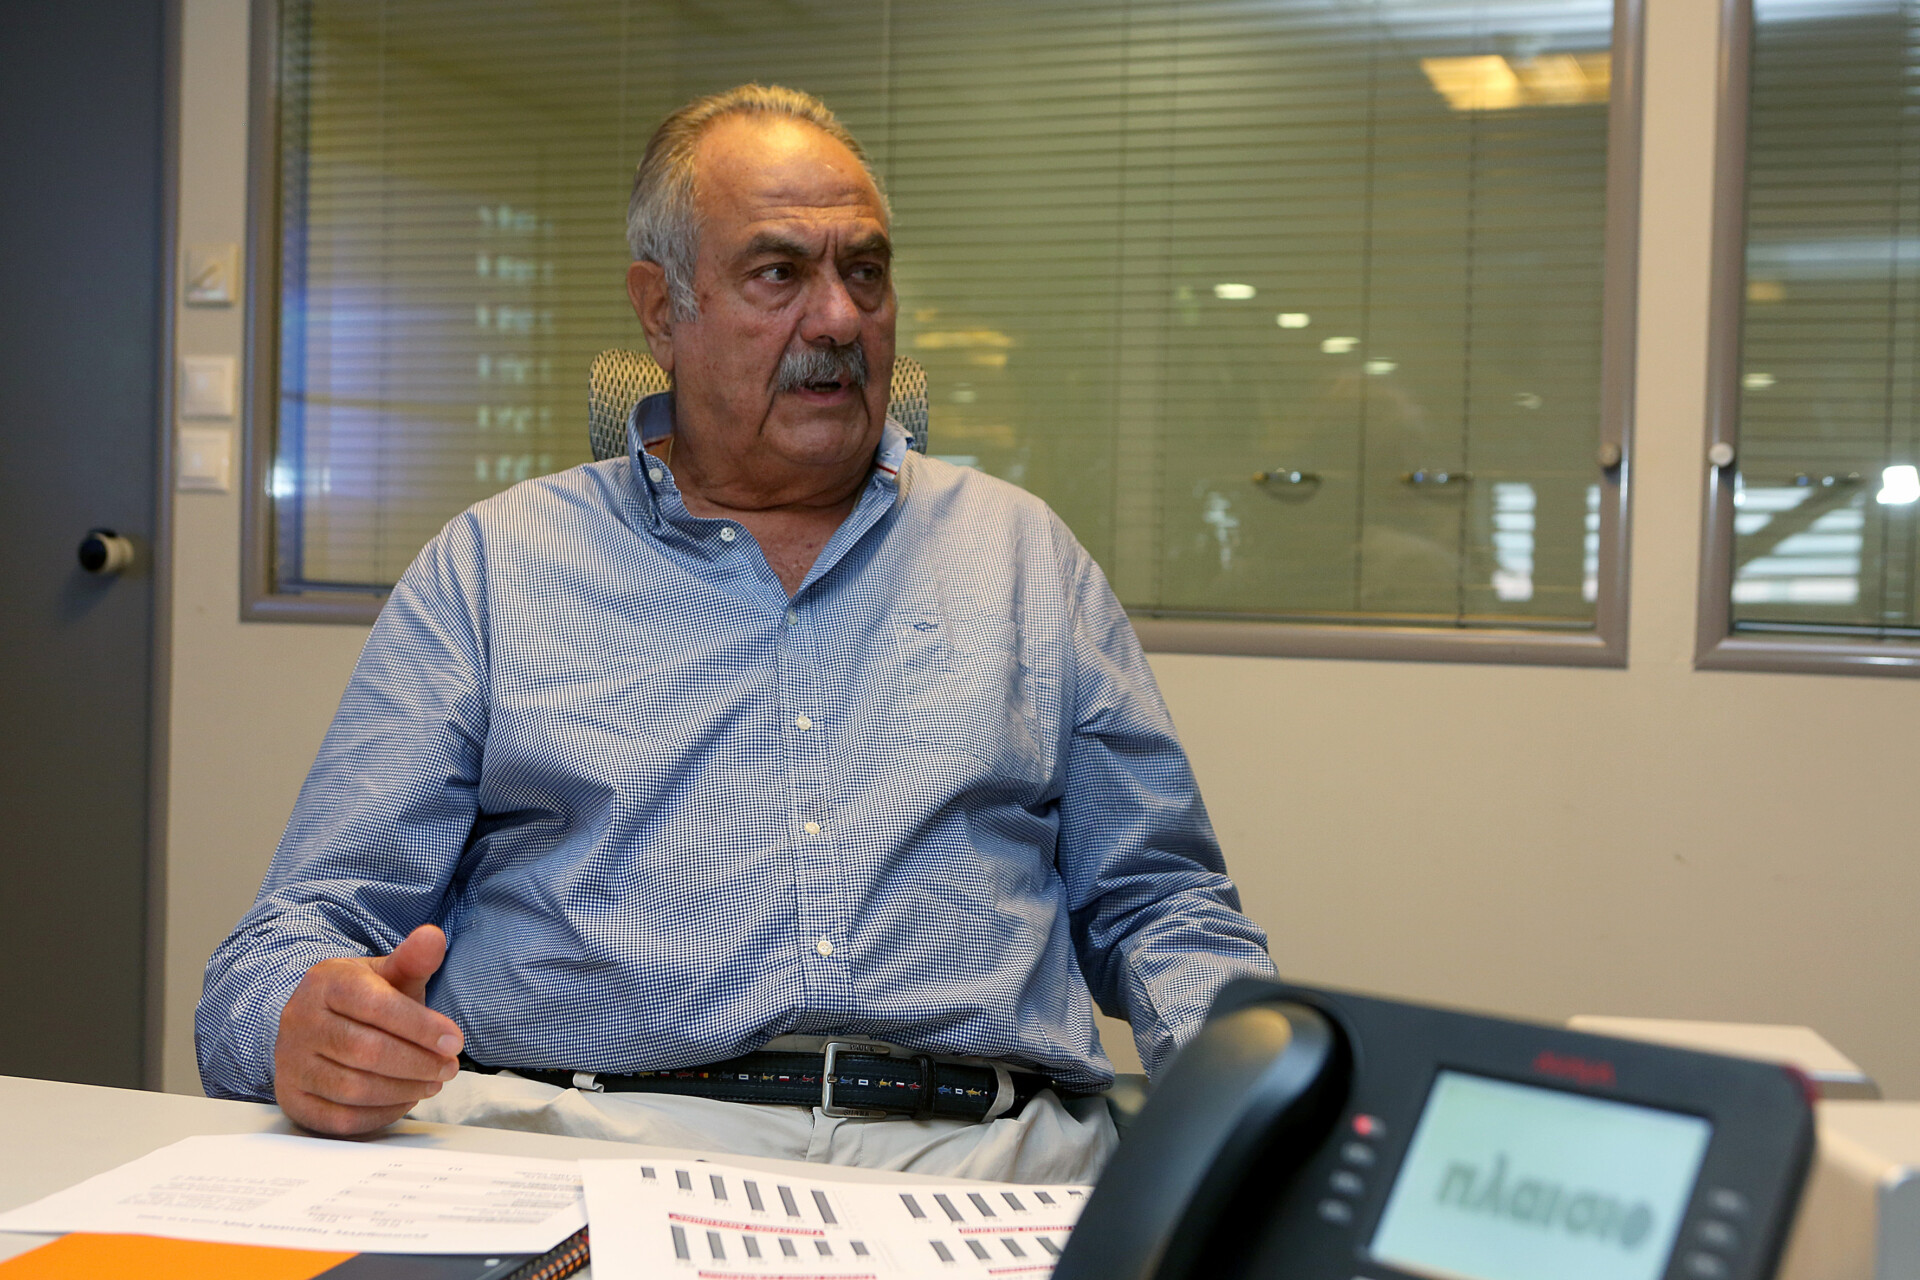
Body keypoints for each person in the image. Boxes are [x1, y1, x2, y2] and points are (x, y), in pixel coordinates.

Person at [197, 84, 1275, 1183]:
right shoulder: (493, 567)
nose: (840, 318)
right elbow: (290, 938)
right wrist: (303, 1025)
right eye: (779, 272)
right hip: (596, 1146)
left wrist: (1267, 1096)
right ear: (661, 310)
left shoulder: (1022, 555)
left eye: (865, 271)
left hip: (987, 1156)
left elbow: (1163, 904)